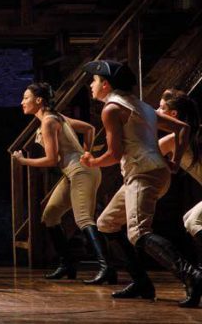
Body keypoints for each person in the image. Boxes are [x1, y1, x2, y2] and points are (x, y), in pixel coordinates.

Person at [80, 60, 202, 307]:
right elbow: (183, 128)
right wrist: (174, 162)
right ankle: (141, 282)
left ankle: (191, 275)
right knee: (106, 223)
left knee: (139, 232)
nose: (91, 85)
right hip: (149, 172)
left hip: (143, 173)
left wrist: (92, 162)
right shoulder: (142, 106)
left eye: (94, 81)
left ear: (106, 84)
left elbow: (115, 154)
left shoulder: (112, 109)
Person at [12, 83, 115, 284]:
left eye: (26, 98)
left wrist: (23, 161)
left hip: (81, 172)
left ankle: (107, 268)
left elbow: (52, 160)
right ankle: (67, 264)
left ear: (39, 100)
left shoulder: (49, 121)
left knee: (83, 219)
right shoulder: (57, 117)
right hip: (73, 172)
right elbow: (89, 128)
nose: (22, 102)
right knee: (50, 215)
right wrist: (86, 151)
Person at [155, 92, 202, 260]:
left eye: (161, 108)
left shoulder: (173, 140)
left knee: (193, 221)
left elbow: (147, 155)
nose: (156, 111)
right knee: (189, 219)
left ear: (173, 114)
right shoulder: (192, 133)